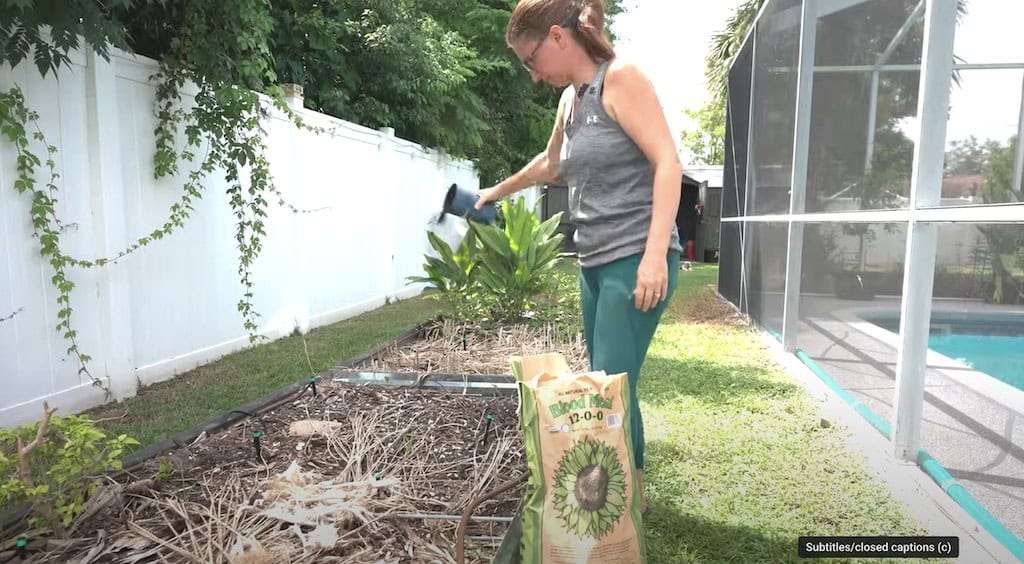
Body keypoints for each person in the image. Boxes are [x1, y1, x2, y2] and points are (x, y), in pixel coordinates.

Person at [474, 0, 682, 512]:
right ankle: (631, 494)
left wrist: (655, 255)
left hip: (634, 259)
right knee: (611, 383)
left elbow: (668, 163)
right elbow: (550, 164)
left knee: (605, 387)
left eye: (530, 58)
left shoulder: (622, 78)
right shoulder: (571, 100)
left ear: (558, 37)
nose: (531, 73)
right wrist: (493, 193)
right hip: (593, 264)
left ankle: (614, 502)